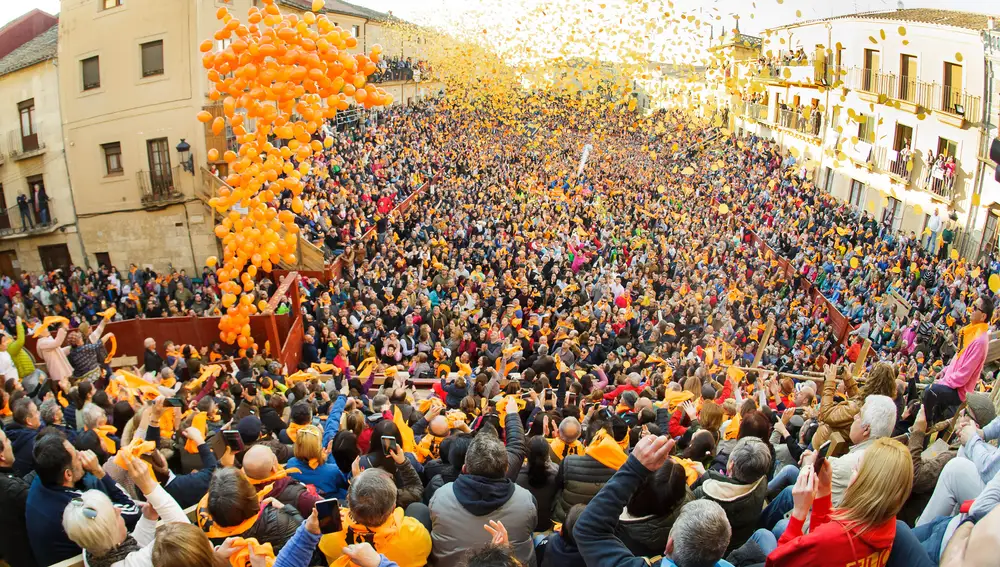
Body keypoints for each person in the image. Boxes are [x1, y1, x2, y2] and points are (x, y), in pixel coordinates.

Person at [575, 434, 734, 567]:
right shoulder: (688, 498)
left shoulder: (621, 529)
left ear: (669, 544)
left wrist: (634, 468)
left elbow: (587, 530)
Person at [758, 438, 914, 566]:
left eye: (856, 469)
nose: (852, 473)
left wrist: (799, 512)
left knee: (763, 534)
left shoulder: (829, 540)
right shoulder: (888, 523)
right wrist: (824, 492)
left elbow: (776, 562)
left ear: (866, 483)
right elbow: (821, 539)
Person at [428, 398, 533, 567]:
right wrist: (512, 414)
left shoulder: (440, 496)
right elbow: (517, 446)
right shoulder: (525, 500)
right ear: (506, 469)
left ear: (464, 468)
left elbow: (517, 448)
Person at [26, 432, 142, 565]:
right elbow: (133, 510)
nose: (82, 455)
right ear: (68, 474)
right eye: (76, 455)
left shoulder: (40, 480)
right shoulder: (76, 504)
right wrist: (99, 471)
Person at [62, 453, 189, 567]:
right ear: (112, 538)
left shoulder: (91, 549)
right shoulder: (136, 563)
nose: (118, 510)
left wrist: (148, 519)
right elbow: (187, 535)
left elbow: (133, 546)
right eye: (114, 515)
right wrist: (150, 487)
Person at [317, 468, 431, 567]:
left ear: (348, 501)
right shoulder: (415, 534)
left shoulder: (330, 533)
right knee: (418, 509)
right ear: (393, 507)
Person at [692, 436, 771, 553]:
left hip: (716, 551)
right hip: (740, 539)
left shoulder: (706, 494)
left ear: (731, 465)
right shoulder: (762, 482)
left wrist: (705, 478)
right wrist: (707, 476)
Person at [923, 295, 992, 425]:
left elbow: (964, 375)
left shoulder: (980, 341)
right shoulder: (972, 332)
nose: (971, 309)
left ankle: (927, 424)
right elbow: (958, 358)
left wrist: (944, 381)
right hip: (951, 382)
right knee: (936, 408)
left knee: (929, 391)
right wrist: (945, 370)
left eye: (975, 308)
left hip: (959, 391)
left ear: (983, 316)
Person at [197, 467, 303, 551]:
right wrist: (287, 509)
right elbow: (305, 535)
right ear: (250, 499)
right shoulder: (277, 520)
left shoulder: (204, 514)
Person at [0, 427, 37, 567]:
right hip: (24, 557)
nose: (11, 443)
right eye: (7, 440)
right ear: (1, 456)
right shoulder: (13, 490)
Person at [516, 435, 560, 532]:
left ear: (527, 455)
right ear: (547, 454)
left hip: (525, 523)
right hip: (545, 523)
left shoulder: (517, 475)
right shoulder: (556, 473)